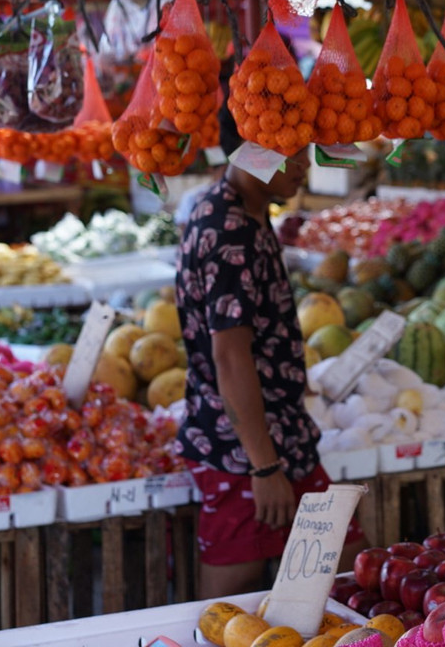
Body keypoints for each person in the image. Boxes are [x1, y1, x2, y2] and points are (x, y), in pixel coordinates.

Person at [175, 109, 362, 598]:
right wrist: (264, 467)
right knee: (235, 590)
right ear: (252, 150)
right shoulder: (230, 231)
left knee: (337, 566)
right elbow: (230, 359)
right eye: (291, 152)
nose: (304, 163)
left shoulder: (241, 210)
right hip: (246, 450)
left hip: (279, 435)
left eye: (302, 149)